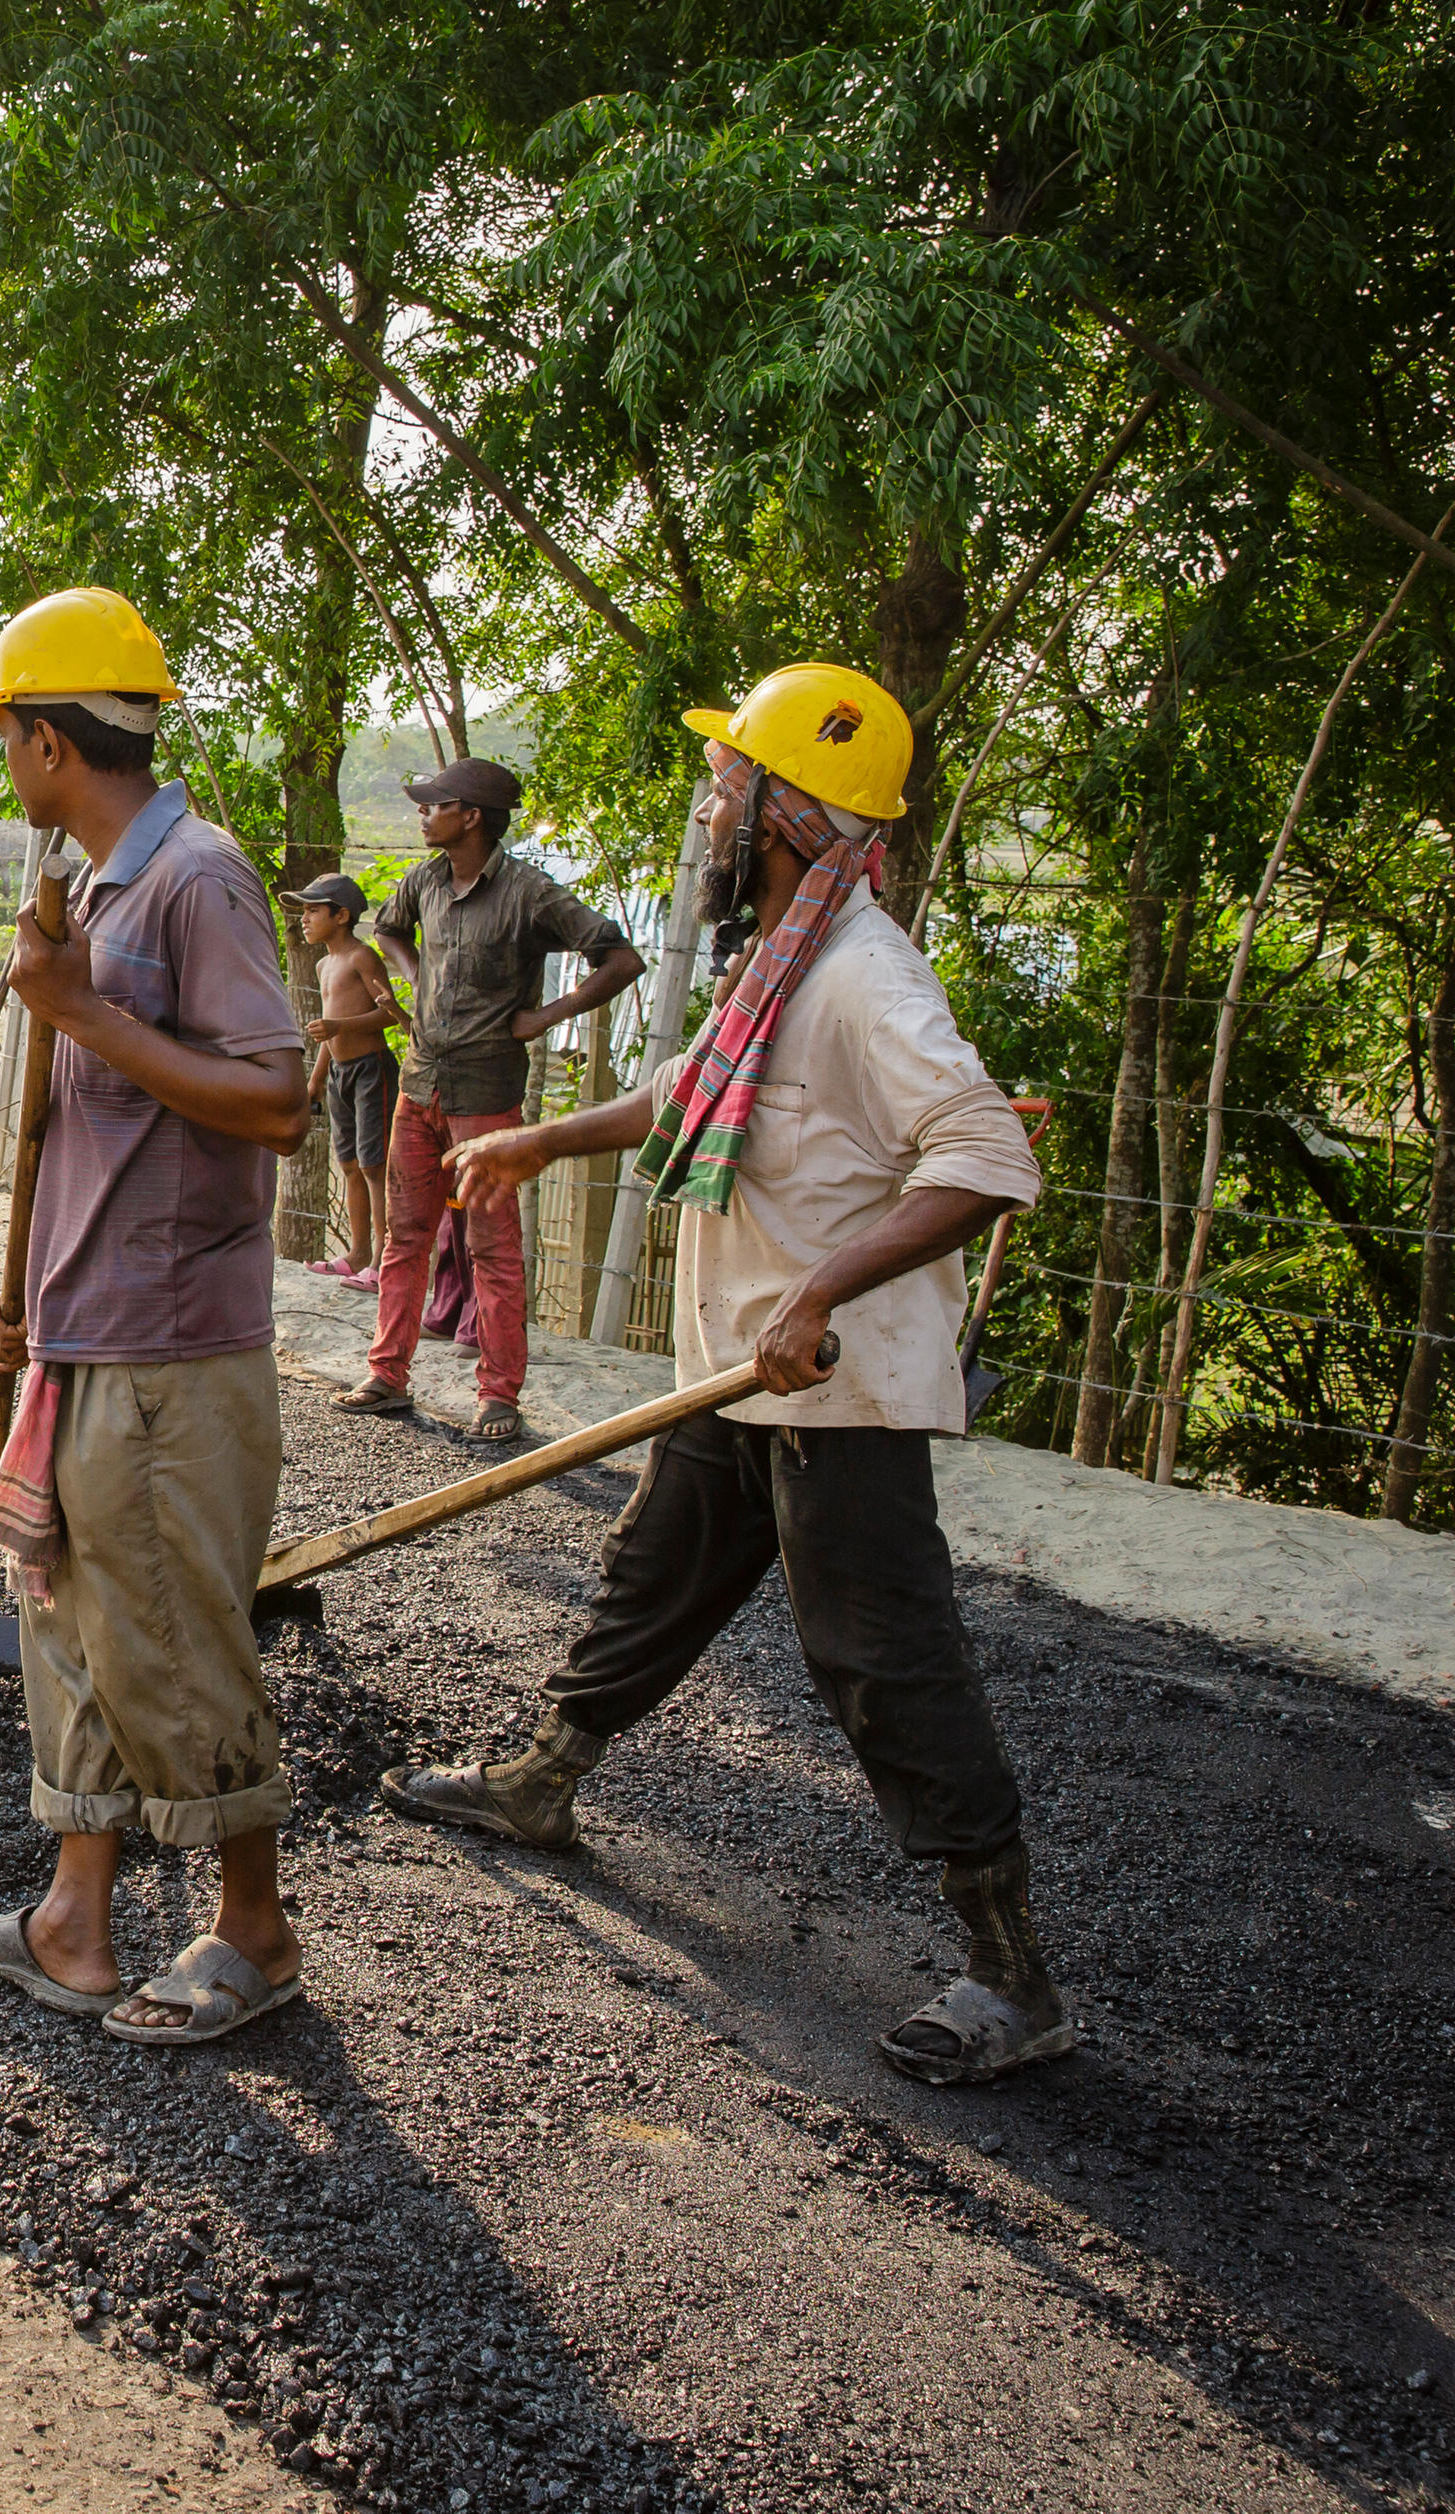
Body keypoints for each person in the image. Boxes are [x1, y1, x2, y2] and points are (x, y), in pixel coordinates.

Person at [380, 664, 1069, 2084]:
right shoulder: (781, 961)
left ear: (786, 813)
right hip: (737, 1372)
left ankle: (1013, 1975)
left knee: (881, 1659)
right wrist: (536, 1143)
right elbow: (685, 1090)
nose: (706, 806)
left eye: (723, 783)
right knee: (653, 1574)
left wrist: (819, 1292)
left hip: (839, 1391)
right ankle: (542, 1780)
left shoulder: (871, 979)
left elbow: (990, 1156)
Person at [0, 588, 313, 2047]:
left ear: (43, 736)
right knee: (78, 1627)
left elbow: (276, 1097)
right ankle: (75, 1920)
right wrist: (27, 1297)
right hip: (86, 1329)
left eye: (2, 733)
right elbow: (91, 1130)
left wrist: (78, 1012)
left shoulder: (198, 880)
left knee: (170, 1631)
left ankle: (252, 1931)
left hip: (171, 1342)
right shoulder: (95, 889)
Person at [342, 757, 642, 1444]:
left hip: (485, 1094)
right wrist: (417, 975)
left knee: (491, 1246)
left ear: (471, 816)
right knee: (406, 1236)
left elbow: (621, 959)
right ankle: (387, 1373)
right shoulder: (426, 880)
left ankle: (498, 1395)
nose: (422, 814)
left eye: (434, 804)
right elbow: (389, 928)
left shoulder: (531, 893)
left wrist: (548, 1016)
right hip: (420, 1084)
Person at [287, 873, 403, 1287]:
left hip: (371, 1070)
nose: (305, 918)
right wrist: (316, 1080)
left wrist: (339, 1024)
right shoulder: (323, 964)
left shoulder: (362, 958)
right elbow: (328, 1035)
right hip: (339, 1073)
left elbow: (388, 1014)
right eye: (303, 910)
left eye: (313, 910)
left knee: (375, 1166)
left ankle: (384, 1260)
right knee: (350, 1164)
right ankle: (357, 1253)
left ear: (341, 915)